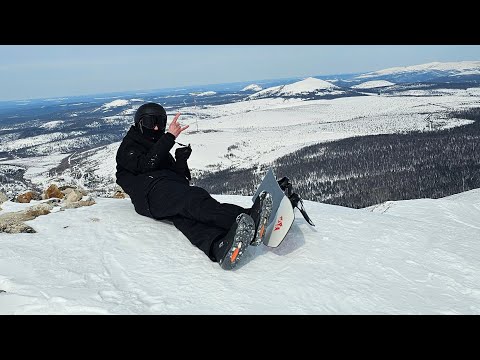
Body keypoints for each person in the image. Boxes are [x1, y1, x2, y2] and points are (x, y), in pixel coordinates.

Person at [115, 102, 272, 270]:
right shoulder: (130, 146)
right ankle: (249, 218)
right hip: (149, 194)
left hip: (161, 191)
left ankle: (219, 246)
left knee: (187, 218)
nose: (155, 128)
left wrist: (181, 161)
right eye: (149, 122)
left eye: (160, 123)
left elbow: (179, 179)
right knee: (193, 200)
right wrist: (169, 137)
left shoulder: (157, 146)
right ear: (139, 123)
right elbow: (146, 165)